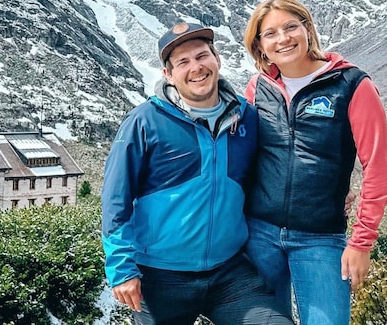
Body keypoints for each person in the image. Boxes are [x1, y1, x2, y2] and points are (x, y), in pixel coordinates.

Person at [101, 22, 293, 324]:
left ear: (217, 58)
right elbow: (115, 197)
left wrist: (335, 188)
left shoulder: (247, 117)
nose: (196, 67)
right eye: (183, 62)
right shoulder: (145, 121)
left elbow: (277, 168)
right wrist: (122, 268)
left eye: (202, 56)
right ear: (168, 74)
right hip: (160, 277)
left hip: (229, 274)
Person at [243, 0, 387, 325]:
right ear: (260, 46)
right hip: (259, 235)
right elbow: (245, 157)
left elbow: (378, 166)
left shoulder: (352, 85)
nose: (283, 38)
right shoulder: (257, 88)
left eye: (291, 27)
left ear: (308, 29)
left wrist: (361, 242)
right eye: (271, 33)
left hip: (320, 239)